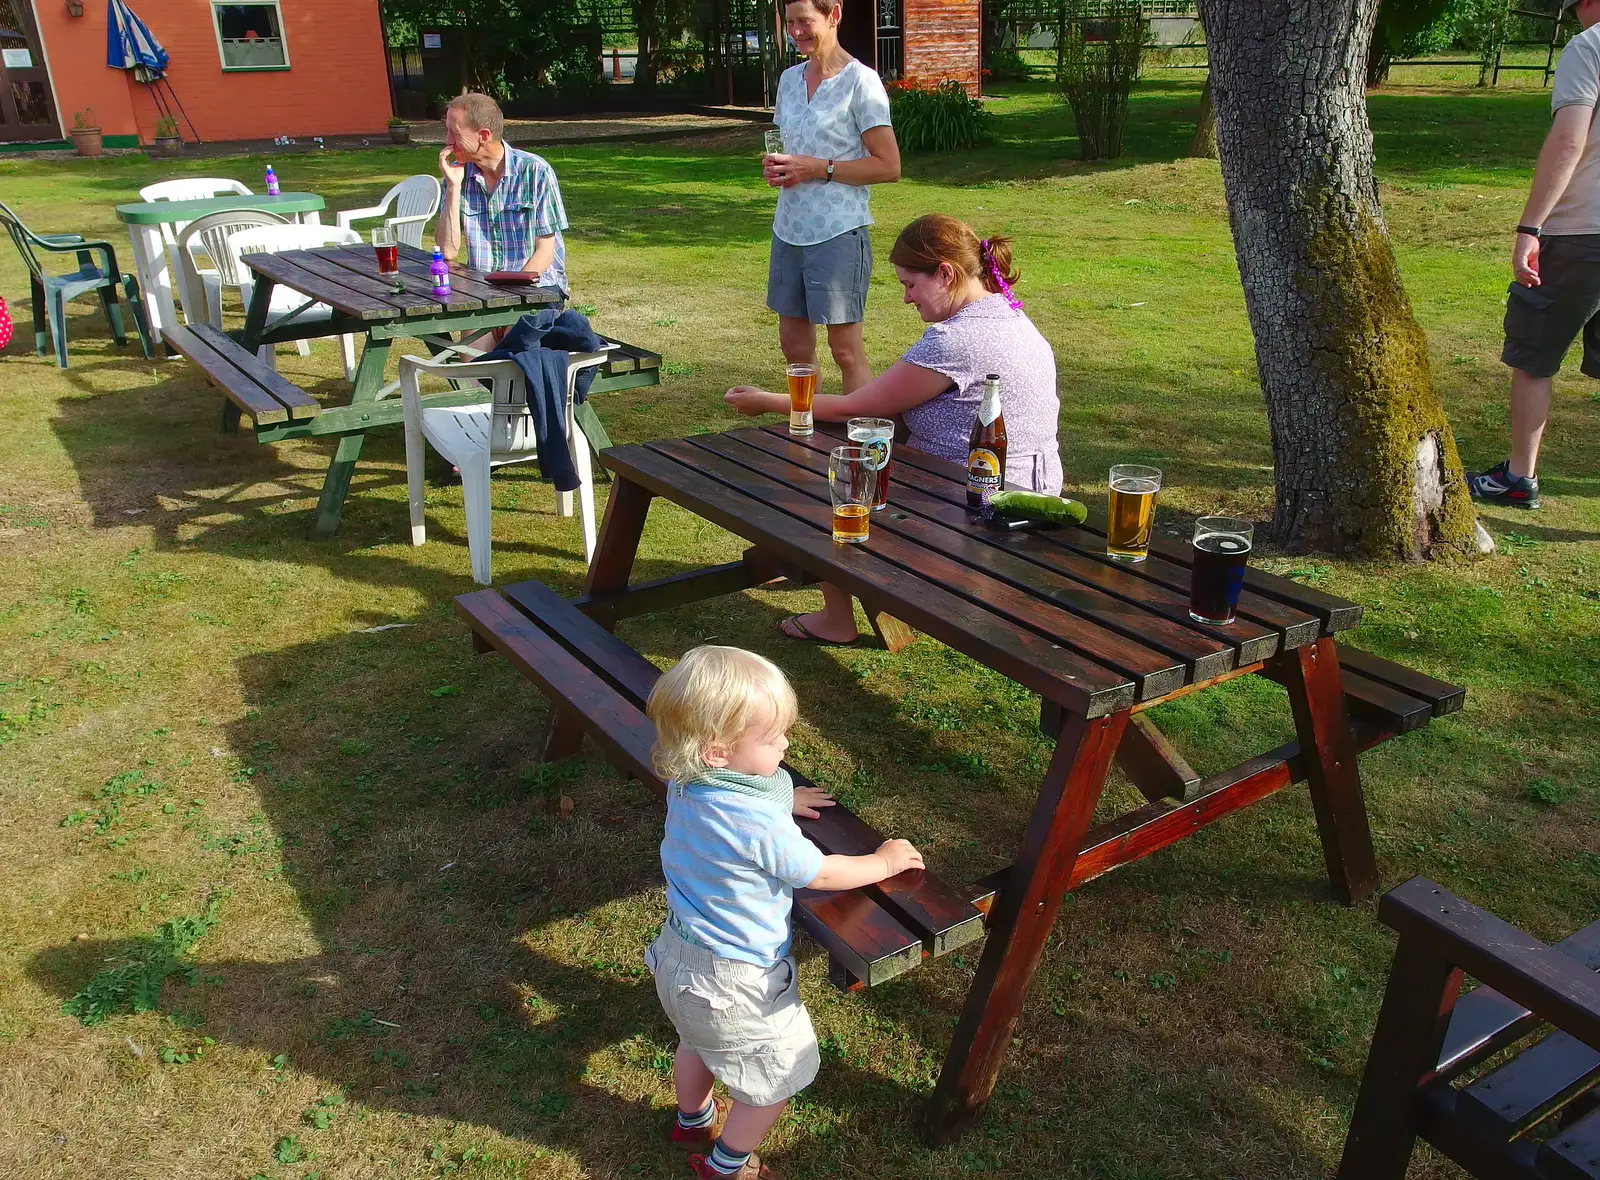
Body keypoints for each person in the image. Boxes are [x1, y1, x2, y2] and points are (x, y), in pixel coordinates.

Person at [644, 645, 924, 1180]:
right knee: (775, 1079)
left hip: (680, 955)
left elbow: (741, 806)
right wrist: (883, 860)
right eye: (771, 739)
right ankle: (729, 1165)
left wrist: (781, 798)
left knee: (696, 1042)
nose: (786, 743)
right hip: (738, 980)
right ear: (718, 752)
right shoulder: (754, 824)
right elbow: (817, 873)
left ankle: (691, 1119)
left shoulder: (688, 782)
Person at [726, 214, 1062, 644]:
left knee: (829, 480)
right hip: (1029, 489)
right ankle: (803, 567)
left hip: (971, 502)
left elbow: (856, 407)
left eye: (910, 284)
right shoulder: (1011, 316)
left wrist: (765, 401)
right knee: (855, 456)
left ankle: (835, 617)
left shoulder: (955, 340)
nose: (906, 299)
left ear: (945, 273)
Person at [1470, 0, 1600, 509]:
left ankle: (1519, 477)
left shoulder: (1588, 47)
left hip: (1579, 233)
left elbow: (1569, 141)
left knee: (1534, 358)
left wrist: (1530, 227)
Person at [764, 0, 901, 395]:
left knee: (844, 350)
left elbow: (889, 166)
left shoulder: (862, 81)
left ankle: (865, 445)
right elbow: (790, 147)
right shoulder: (789, 80)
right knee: (794, 348)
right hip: (789, 229)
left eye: (805, 21)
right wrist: (777, 168)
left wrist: (818, 168)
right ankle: (806, 435)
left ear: (833, 15)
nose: (796, 31)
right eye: (789, 22)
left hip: (838, 232)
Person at [435, 92, 569, 296]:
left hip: (536, 288)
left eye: (454, 132)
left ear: (484, 136)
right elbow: (447, 251)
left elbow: (545, 252)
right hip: (483, 291)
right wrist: (453, 187)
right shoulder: (458, 175)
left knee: (513, 328)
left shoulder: (535, 171)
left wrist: (512, 300)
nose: (447, 140)